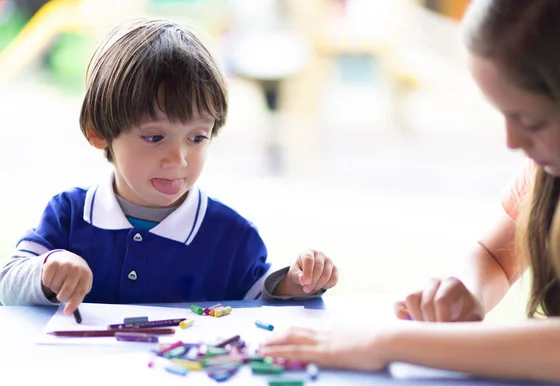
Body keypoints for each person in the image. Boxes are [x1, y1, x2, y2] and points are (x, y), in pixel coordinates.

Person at [259, 0, 560, 386]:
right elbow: (493, 256)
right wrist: (467, 293)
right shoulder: (553, 165)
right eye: (503, 114)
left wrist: (384, 341)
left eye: (530, 120)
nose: (512, 141)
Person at [0, 17, 339, 314]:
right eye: (154, 137)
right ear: (99, 132)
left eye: (196, 138)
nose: (177, 160)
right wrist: (46, 272)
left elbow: (260, 301)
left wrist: (296, 282)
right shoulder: (69, 216)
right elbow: (7, 285)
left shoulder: (231, 236)